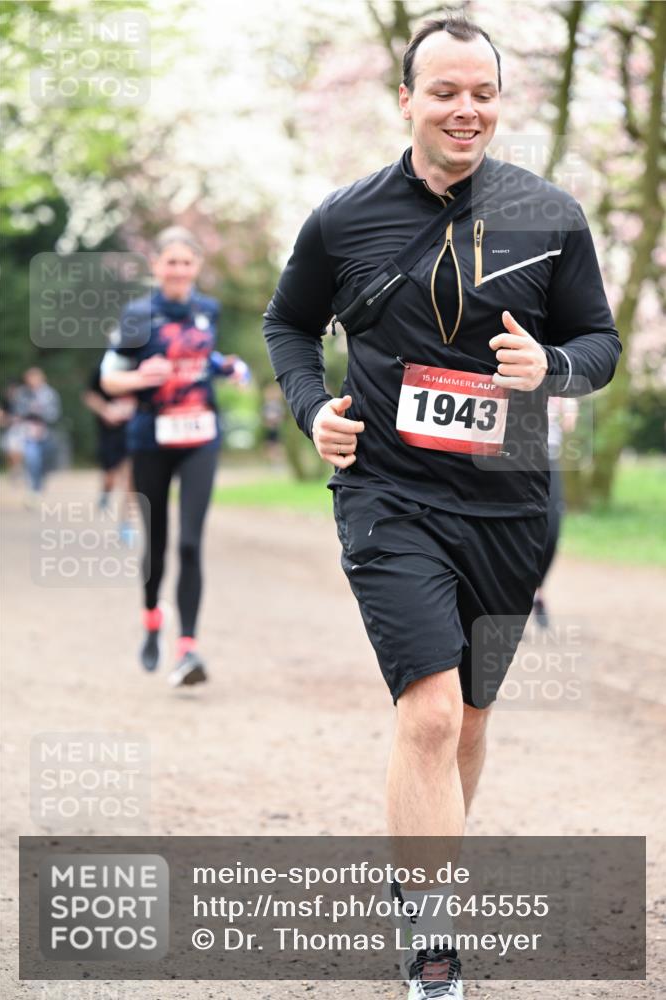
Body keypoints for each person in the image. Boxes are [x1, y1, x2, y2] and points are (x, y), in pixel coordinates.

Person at [264, 17, 620, 998]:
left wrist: (551, 366)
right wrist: (311, 409)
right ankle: (431, 939)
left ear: (498, 102)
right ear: (406, 102)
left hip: (511, 507)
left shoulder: (549, 214)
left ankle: (423, 877)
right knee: (424, 714)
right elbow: (290, 324)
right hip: (389, 493)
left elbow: (599, 342)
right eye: (445, 91)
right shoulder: (345, 218)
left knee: (466, 718)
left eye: (483, 93)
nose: (466, 109)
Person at [100, 226, 248, 688]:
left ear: (197, 267)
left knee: (190, 542)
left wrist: (230, 365)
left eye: (187, 262)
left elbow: (200, 358)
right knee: (158, 544)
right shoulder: (136, 316)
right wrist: (142, 376)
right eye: (171, 262)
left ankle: (188, 648)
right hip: (151, 440)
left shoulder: (207, 310)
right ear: (156, 266)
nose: (179, 270)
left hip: (201, 435)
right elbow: (110, 380)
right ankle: (150, 621)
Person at [532, 395, 579, 627]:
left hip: (548, 454)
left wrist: (565, 403)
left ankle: (537, 590)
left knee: (551, 530)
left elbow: (570, 419)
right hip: (510, 454)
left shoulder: (558, 371)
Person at [82, 361, 136, 540]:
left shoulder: (143, 363)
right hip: (110, 433)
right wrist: (105, 411)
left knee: (130, 480)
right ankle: (105, 492)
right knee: (110, 477)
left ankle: (126, 524)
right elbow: (89, 395)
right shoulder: (104, 368)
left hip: (135, 432)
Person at [11, 368, 62, 502]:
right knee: (32, 459)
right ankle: (33, 490)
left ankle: (38, 486)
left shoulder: (50, 394)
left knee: (44, 463)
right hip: (27, 432)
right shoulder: (22, 393)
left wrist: (41, 416)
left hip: (46, 432)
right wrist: (29, 414)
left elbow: (54, 414)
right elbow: (17, 411)